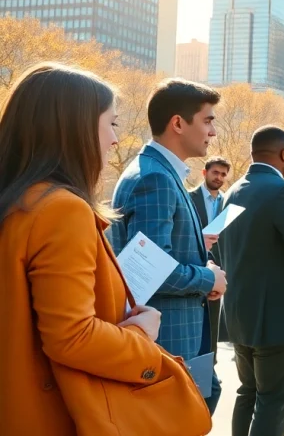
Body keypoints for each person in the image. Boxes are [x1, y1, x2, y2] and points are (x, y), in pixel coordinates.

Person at [0, 64, 169, 435]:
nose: (115, 140)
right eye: (112, 123)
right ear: (74, 129)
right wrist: (142, 337)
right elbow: (73, 337)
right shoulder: (61, 209)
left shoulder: (18, 203)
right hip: (53, 415)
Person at [108, 78, 227, 413]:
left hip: (181, 335)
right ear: (178, 123)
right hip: (170, 340)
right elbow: (151, 271)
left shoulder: (161, 173)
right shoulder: (155, 178)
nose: (213, 131)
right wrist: (209, 279)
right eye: (207, 120)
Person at [218, 126, 284, 435]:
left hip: (239, 315)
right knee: (274, 401)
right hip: (280, 320)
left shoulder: (233, 190)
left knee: (248, 393)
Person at [189, 156, 231, 359]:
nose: (219, 177)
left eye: (223, 174)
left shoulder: (228, 202)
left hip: (223, 269)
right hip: (196, 265)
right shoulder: (188, 198)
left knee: (214, 323)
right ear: (205, 173)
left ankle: (210, 366)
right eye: (215, 172)